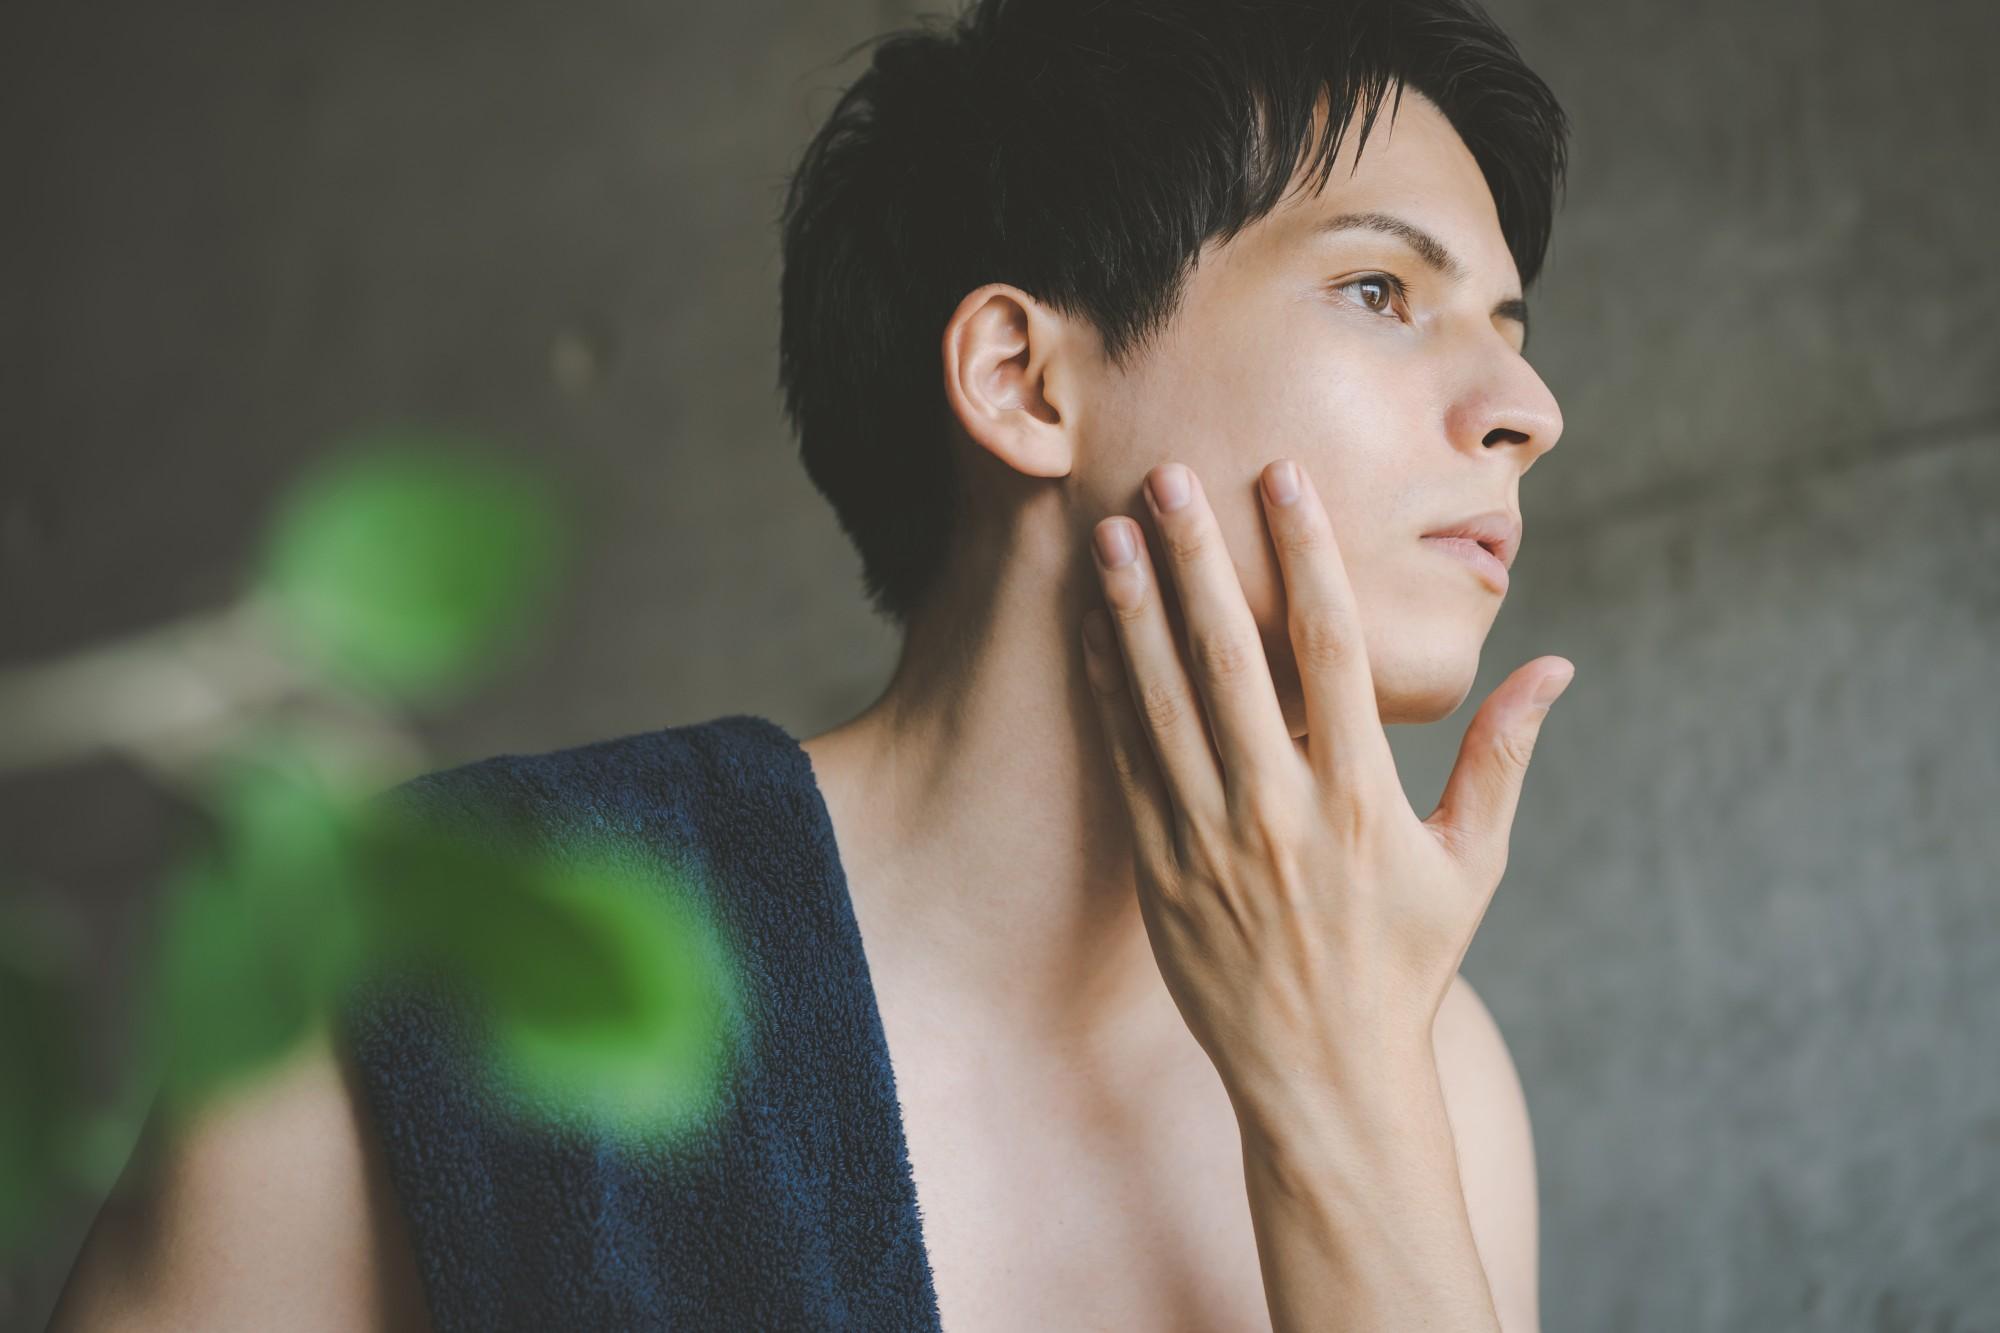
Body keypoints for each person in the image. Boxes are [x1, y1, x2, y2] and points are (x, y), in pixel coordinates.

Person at [47, 0, 1572, 1328]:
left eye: (1509, 326)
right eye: (1382, 292)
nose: (1526, 407)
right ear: (1024, 380)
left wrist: (1340, 1091)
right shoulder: (446, 960)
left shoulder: (1434, 1071)